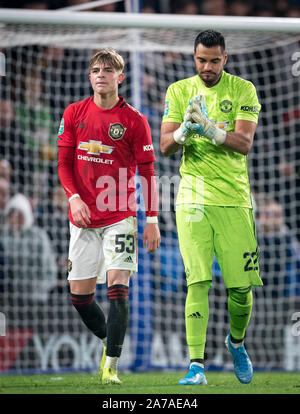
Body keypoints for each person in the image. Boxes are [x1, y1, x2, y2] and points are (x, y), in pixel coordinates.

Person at [160, 30, 262, 385]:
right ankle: (196, 366)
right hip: (192, 196)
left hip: (234, 198)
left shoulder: (242, 90)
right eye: (201, 60)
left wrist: (211, 130)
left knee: (240, 291)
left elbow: (244, 143)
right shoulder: (179, 91)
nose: (207, 67)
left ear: (225, 58)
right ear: (194, 57)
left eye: (214, 60)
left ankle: (236, 342)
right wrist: (182, 133)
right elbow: (164, 147)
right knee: (198, 281)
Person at [57, 48, 160, 385]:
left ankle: (111, 366)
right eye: (96, 69)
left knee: (118, 287)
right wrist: (73, 198)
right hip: (83, 218)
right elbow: (63, 164)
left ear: (121, 77)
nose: (101, 74)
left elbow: (148, 173)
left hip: (120, 215)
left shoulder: (134, 120)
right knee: (80, 297)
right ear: (90, 77)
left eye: (108, 69)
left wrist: (152, 219)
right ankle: (108, 341)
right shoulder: (74, 113)